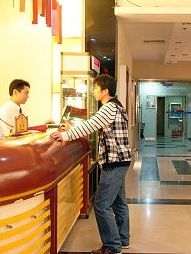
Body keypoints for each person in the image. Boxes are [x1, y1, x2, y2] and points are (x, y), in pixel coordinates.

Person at [51, 74, 131, 254]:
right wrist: (72, 130)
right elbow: (92, 124)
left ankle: (112, 246)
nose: (93, 91)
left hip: (113, 162)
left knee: (102, 205)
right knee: (118, 202)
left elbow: (89, 126)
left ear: (105, 90)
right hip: (121, 161)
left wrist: (64, 135)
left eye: (96, 88)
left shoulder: (109, 108)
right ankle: (123, 239)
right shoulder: (118, 106)